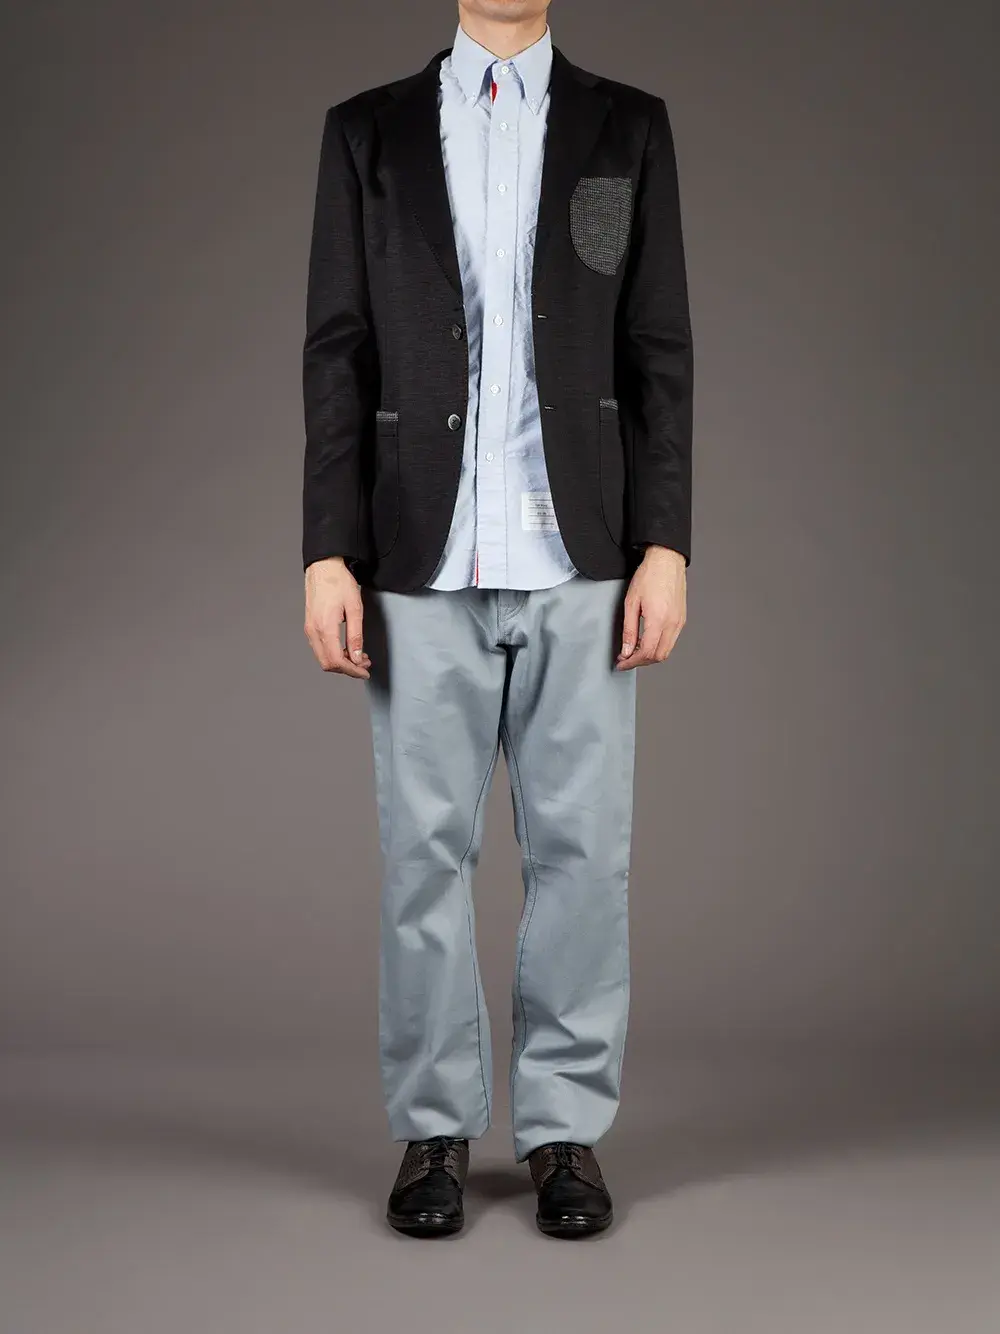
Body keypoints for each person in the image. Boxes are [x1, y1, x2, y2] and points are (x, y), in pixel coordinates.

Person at [301, 0, 693, 1239]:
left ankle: (563, 1126)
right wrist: (325, 549)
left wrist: (666, 543)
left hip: (583, 554)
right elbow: (336, 352)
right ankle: (433, 1126)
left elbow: (657, 348)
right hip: (418, 554)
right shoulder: (366, 132)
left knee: (584, 854)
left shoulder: (626, 127)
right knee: (423, 858)